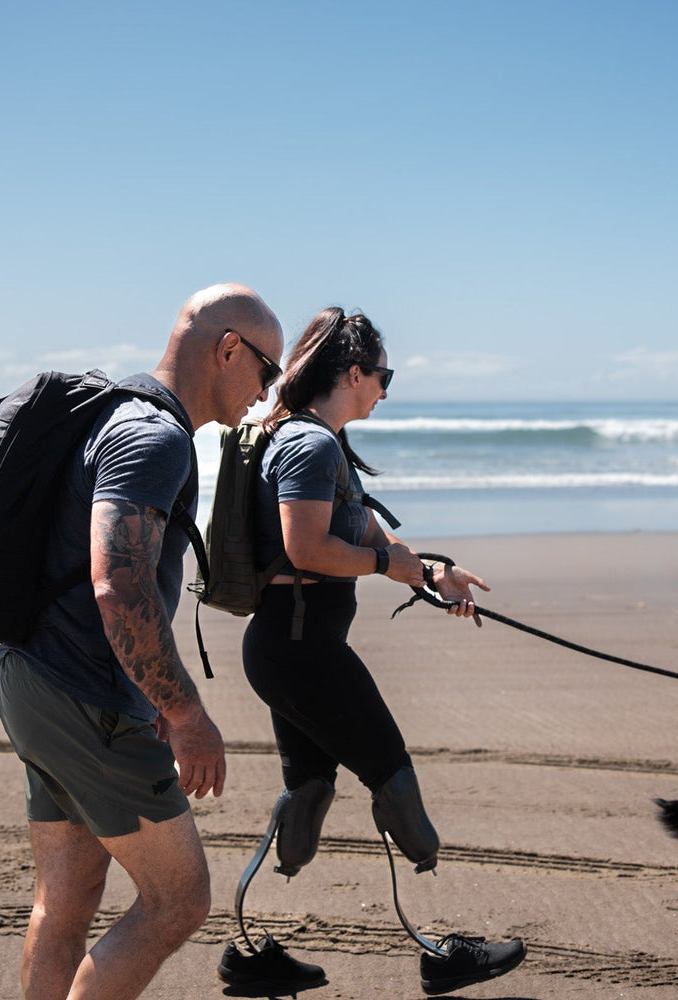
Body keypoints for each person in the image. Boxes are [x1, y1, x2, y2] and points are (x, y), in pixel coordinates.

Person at [218, 307, 527, 996]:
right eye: (384, 375)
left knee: (310, 795)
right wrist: (392, 568)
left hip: (292, 648)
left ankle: (246, 951)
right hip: (300, 651)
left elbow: (360, 543)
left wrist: (431, 574)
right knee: (396, 789)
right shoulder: (312, 445)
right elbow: (307, 549)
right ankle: (442, 953)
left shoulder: (316, 441)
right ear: (353, 372)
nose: (386, 389)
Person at [0, 284, 284, 1000]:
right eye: (267, 371)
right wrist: (184, 712)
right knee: (177, 901)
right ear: (227, 349)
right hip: (85, 695)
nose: (266, 392)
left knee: (63, 904)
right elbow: (116, 587)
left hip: (34, 678)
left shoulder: (115, 415)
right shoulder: (154, 438)